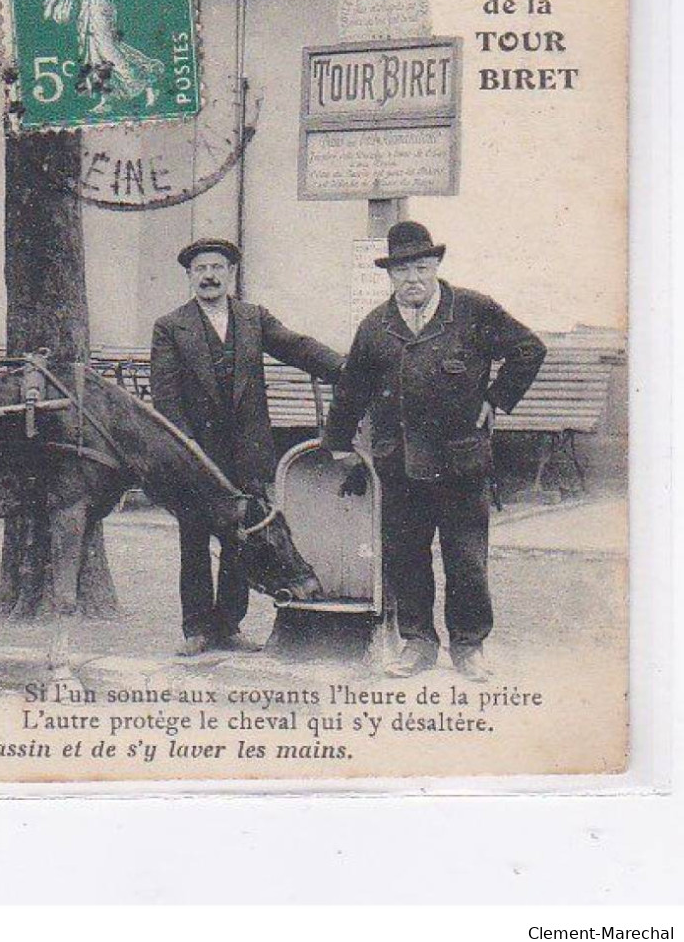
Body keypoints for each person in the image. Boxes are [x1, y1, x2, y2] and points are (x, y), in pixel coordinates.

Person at [323, 222, 546, 682]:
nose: (413, 279)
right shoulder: (376, 326)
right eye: (402, 270)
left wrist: (497, 398)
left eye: (421, 267)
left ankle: (469, 646)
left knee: (465, 556)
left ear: (436, 266)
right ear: (390, 276)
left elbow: (529, 349)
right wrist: (339, 444)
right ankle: (419, 642)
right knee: (406, 554)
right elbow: (350, 390)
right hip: (398, 463)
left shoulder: (472, 310)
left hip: (460, 462)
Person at [150, 237, 344, 656]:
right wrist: (187, 452)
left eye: (217, 267)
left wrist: (346, 370)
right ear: (189, 276)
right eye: (200, 268)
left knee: (244, 538)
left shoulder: (253, 319)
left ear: (231, 273)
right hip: (197, 456)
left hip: (248, 453)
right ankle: (197, 629)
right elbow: (165, 398)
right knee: (195, 541)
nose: (209, 276)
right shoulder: (170, 326)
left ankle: (229, 625)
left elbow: (297, 347)